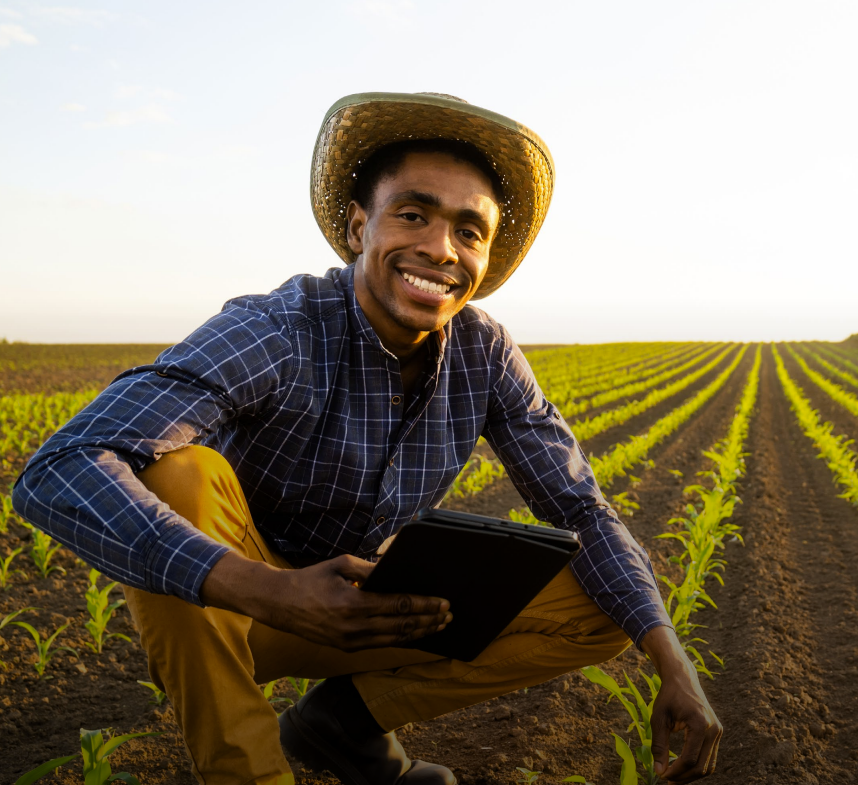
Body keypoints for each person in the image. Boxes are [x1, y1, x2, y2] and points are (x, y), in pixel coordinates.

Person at [14, 92, 722, 785]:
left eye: (468, 231)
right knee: (180, 474)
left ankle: (343, 723)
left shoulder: (486, 353)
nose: (439, 248)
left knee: (604, 599)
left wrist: (671, 662)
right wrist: (268, 589)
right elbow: (62, 466)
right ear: (359, 227)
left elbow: (579, 508)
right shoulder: (278, 328)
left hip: (363, 609)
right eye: (412, 214)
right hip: (227, 610)